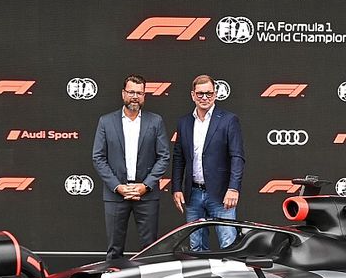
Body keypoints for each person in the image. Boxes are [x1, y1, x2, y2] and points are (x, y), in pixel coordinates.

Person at [92, 75, 170, 260]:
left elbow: (164, 157)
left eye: (139, 93)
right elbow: (98, 157)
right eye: (131, 92)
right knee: (114, 249)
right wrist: (118, 186)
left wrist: (146, 185)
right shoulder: (106, 121)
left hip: (147, 194)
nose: (135, 96)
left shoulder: (155, 121)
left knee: (150, 249)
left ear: (144, 96)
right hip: (116, 193)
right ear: (123, 94)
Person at [171, 74, 246, 252]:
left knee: (228, 244)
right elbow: (179, 157)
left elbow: (237, 156)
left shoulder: (228, 120)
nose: (204, 98)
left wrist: (233, 188)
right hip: (193, 194)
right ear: (192, 95)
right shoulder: (184, 122)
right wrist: (176, 188)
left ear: (215, 94)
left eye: (209, 93)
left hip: (221, 194)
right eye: (200, 94)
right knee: (195, 246)